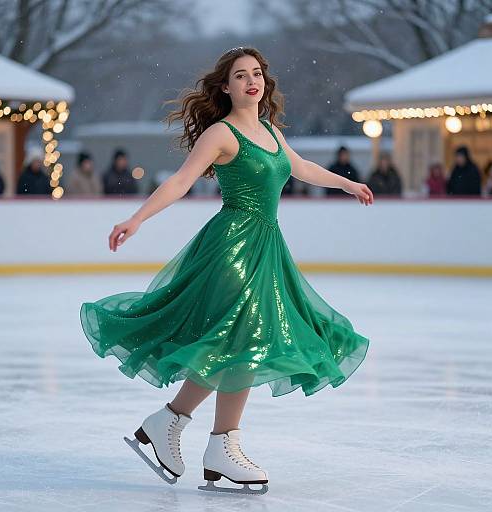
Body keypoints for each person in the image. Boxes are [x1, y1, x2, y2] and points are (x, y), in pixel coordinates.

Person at [80, 46, 373, 495]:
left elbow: (301, 168)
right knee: (243, 340)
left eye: (257, 74)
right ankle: (212, 440)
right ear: (225, 86)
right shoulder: (221, 134)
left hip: (266, 247)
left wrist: (348, 183)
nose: (251, 81)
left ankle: (179, 425)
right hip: (231, 250)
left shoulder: (270, 131)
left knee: (239, 344)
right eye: (240, 76)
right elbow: (180, 181)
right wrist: (136, 219)